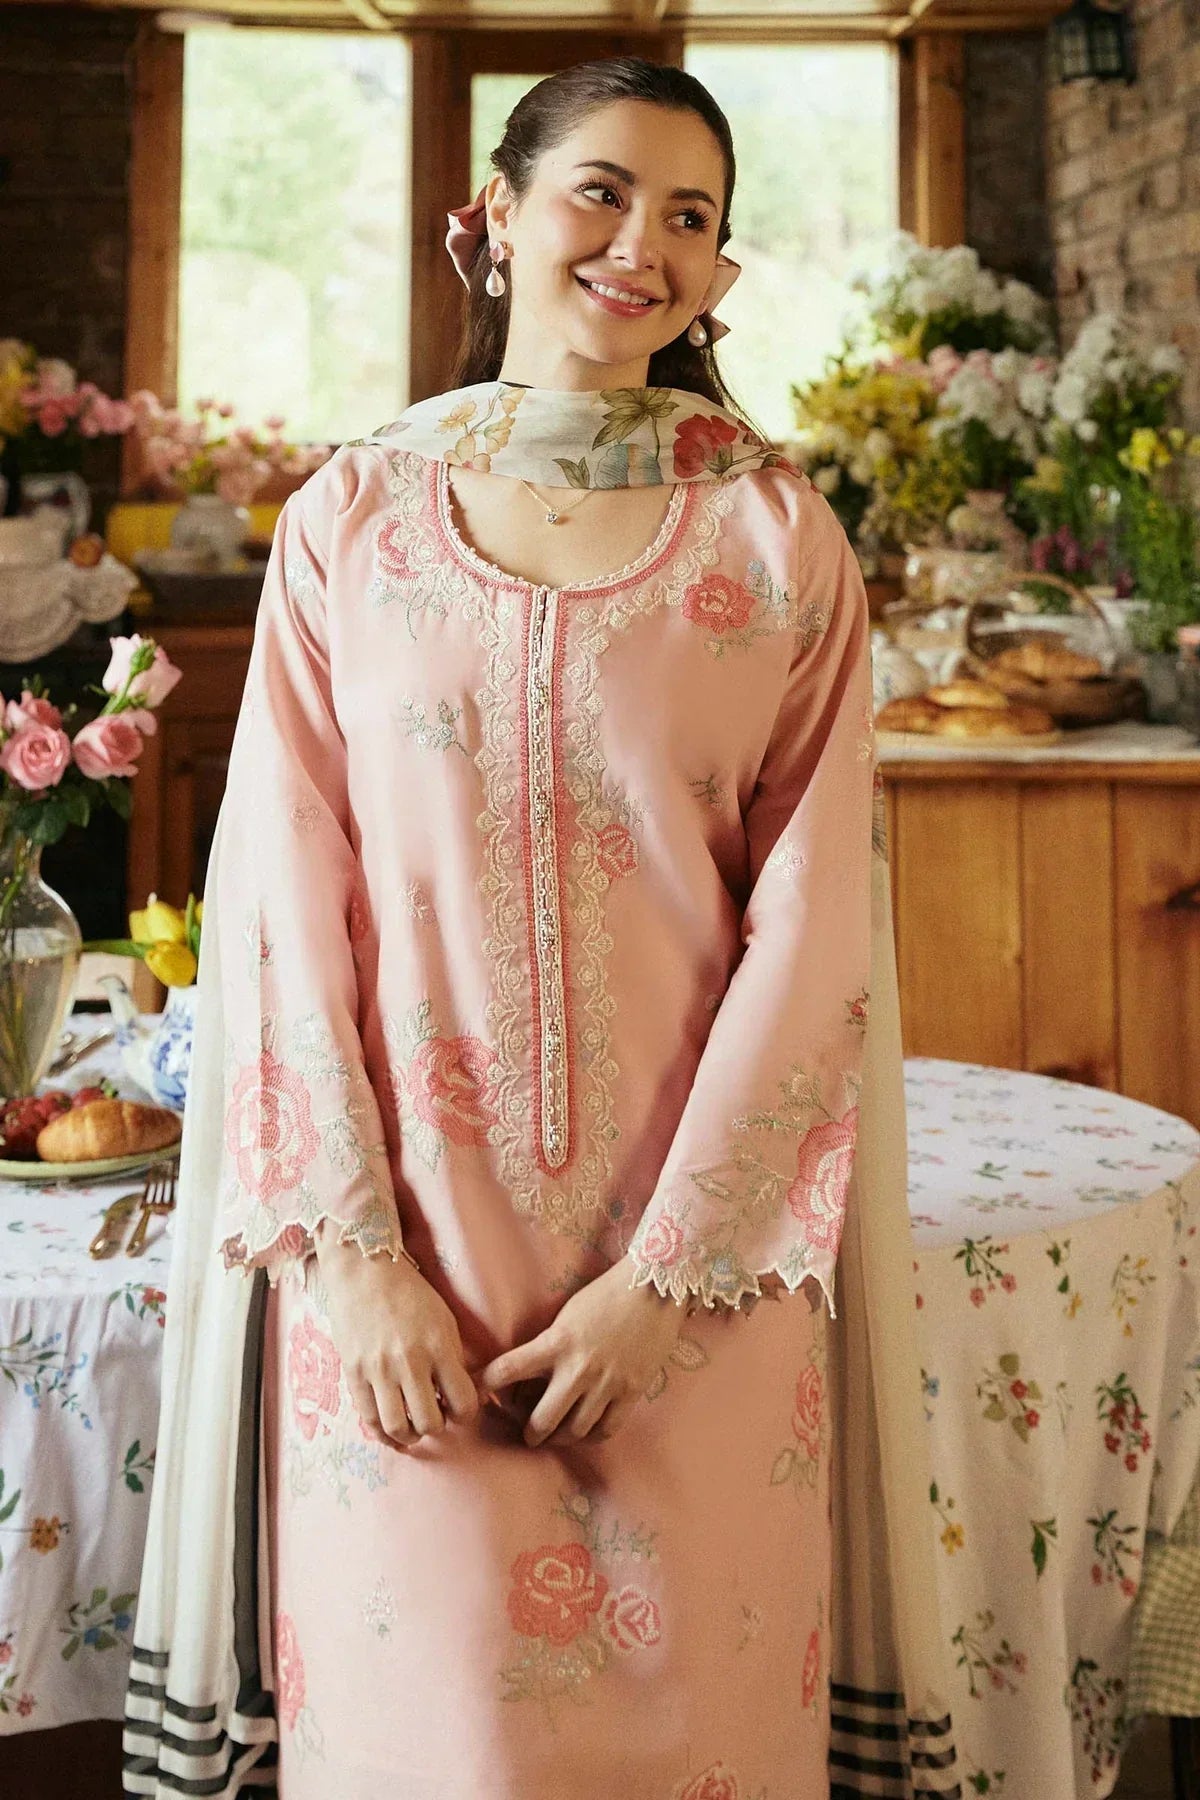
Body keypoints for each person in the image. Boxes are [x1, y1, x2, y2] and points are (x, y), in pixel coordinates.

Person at [124, 56, 961, 1800]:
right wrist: (355, 1265)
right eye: (601, 190)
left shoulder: (778, 538)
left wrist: (669, 1281)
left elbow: (815, 934)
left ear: (722, 274)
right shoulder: (351, 522)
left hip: (695, 1313)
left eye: (689, 215)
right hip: (407, 1319)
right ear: (493, 218)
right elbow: (280, 899)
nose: (642, 242)